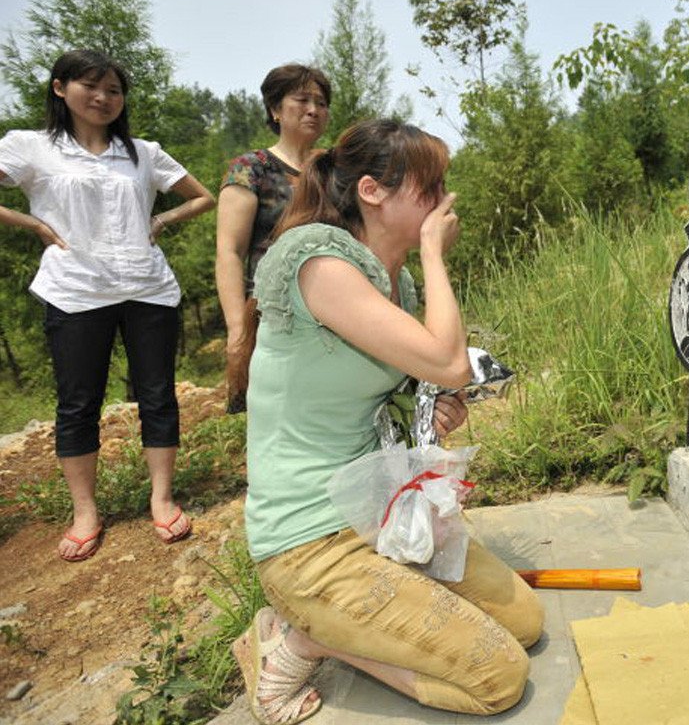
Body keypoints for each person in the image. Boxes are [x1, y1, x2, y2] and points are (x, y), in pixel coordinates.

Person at [234, 118, 543, 724]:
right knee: (498, 679)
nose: (444, 202)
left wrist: (431, 414)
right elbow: (449, 361)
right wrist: (433, 253)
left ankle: (357, 624)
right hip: (309, 543)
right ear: (373, 191)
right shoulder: (316, 260)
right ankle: (301, 639)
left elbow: (404, 395)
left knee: (526, 624)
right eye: (430, 188)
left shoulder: (392, 282)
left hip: (375, 514)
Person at [0, 49, 216, 561]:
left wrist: (160, 222)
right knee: (78, 402)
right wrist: (32, 223)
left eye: (114, 90)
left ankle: (161, 498)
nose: (102, 98)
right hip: (75, 289)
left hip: (147, 287)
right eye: (90, 87)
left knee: (158, 394)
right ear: (60, 89)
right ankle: (85, 512)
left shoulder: (142, 152)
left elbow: (202, 196)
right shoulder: (30, 147)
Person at [215, 64, 330, 413]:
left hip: (334, 309)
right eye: (302, 99)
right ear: (275, 110)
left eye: (322, 102)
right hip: (271, 314)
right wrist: (237, 329)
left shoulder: (334, 169)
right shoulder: (251, 168)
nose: (314, 109)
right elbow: (229, 252)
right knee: (278, 412)